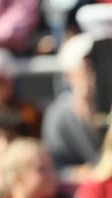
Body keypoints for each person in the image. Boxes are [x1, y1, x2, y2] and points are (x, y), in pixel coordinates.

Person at [42, 33, 105, 176]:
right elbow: (56, 168)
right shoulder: (58, 115)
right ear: (70, 76)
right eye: (86, 68)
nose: (93, 75)